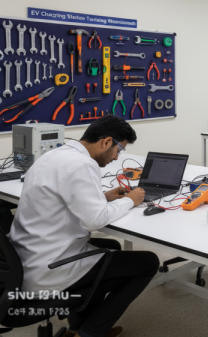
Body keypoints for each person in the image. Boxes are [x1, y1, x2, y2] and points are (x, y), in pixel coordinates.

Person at [10, 115, 157, 337]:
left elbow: (61, 198)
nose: (116, 157)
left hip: (25, 260)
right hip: (50, 268)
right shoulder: (82, 164)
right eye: (119, 150)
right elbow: (94, 220)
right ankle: (89, 333)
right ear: (106, 142)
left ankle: (77, 327)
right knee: (148, 263)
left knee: (111, 247)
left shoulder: (54, 155)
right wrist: (130, 200)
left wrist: (103, 196)